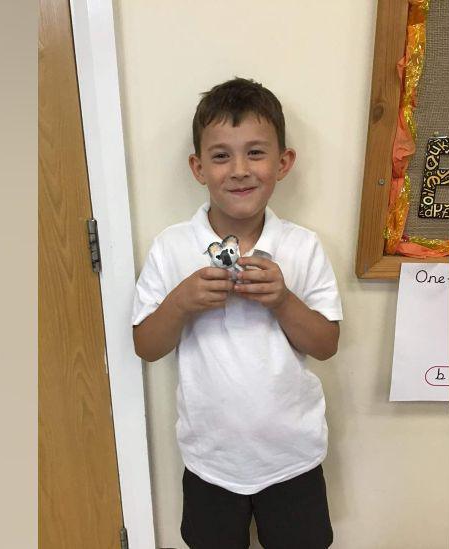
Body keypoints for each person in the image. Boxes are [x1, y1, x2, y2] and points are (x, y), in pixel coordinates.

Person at [132, 77, 342, 549]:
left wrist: (284, 301)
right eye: (221, 155)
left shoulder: (302, 247)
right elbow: (145, 345)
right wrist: (181, 301)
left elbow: (327, 346)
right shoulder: (171, 247)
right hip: (210, 461)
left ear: (283, 163)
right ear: (198, 166)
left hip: (293, 457)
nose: (239, 170)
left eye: (256, 152)